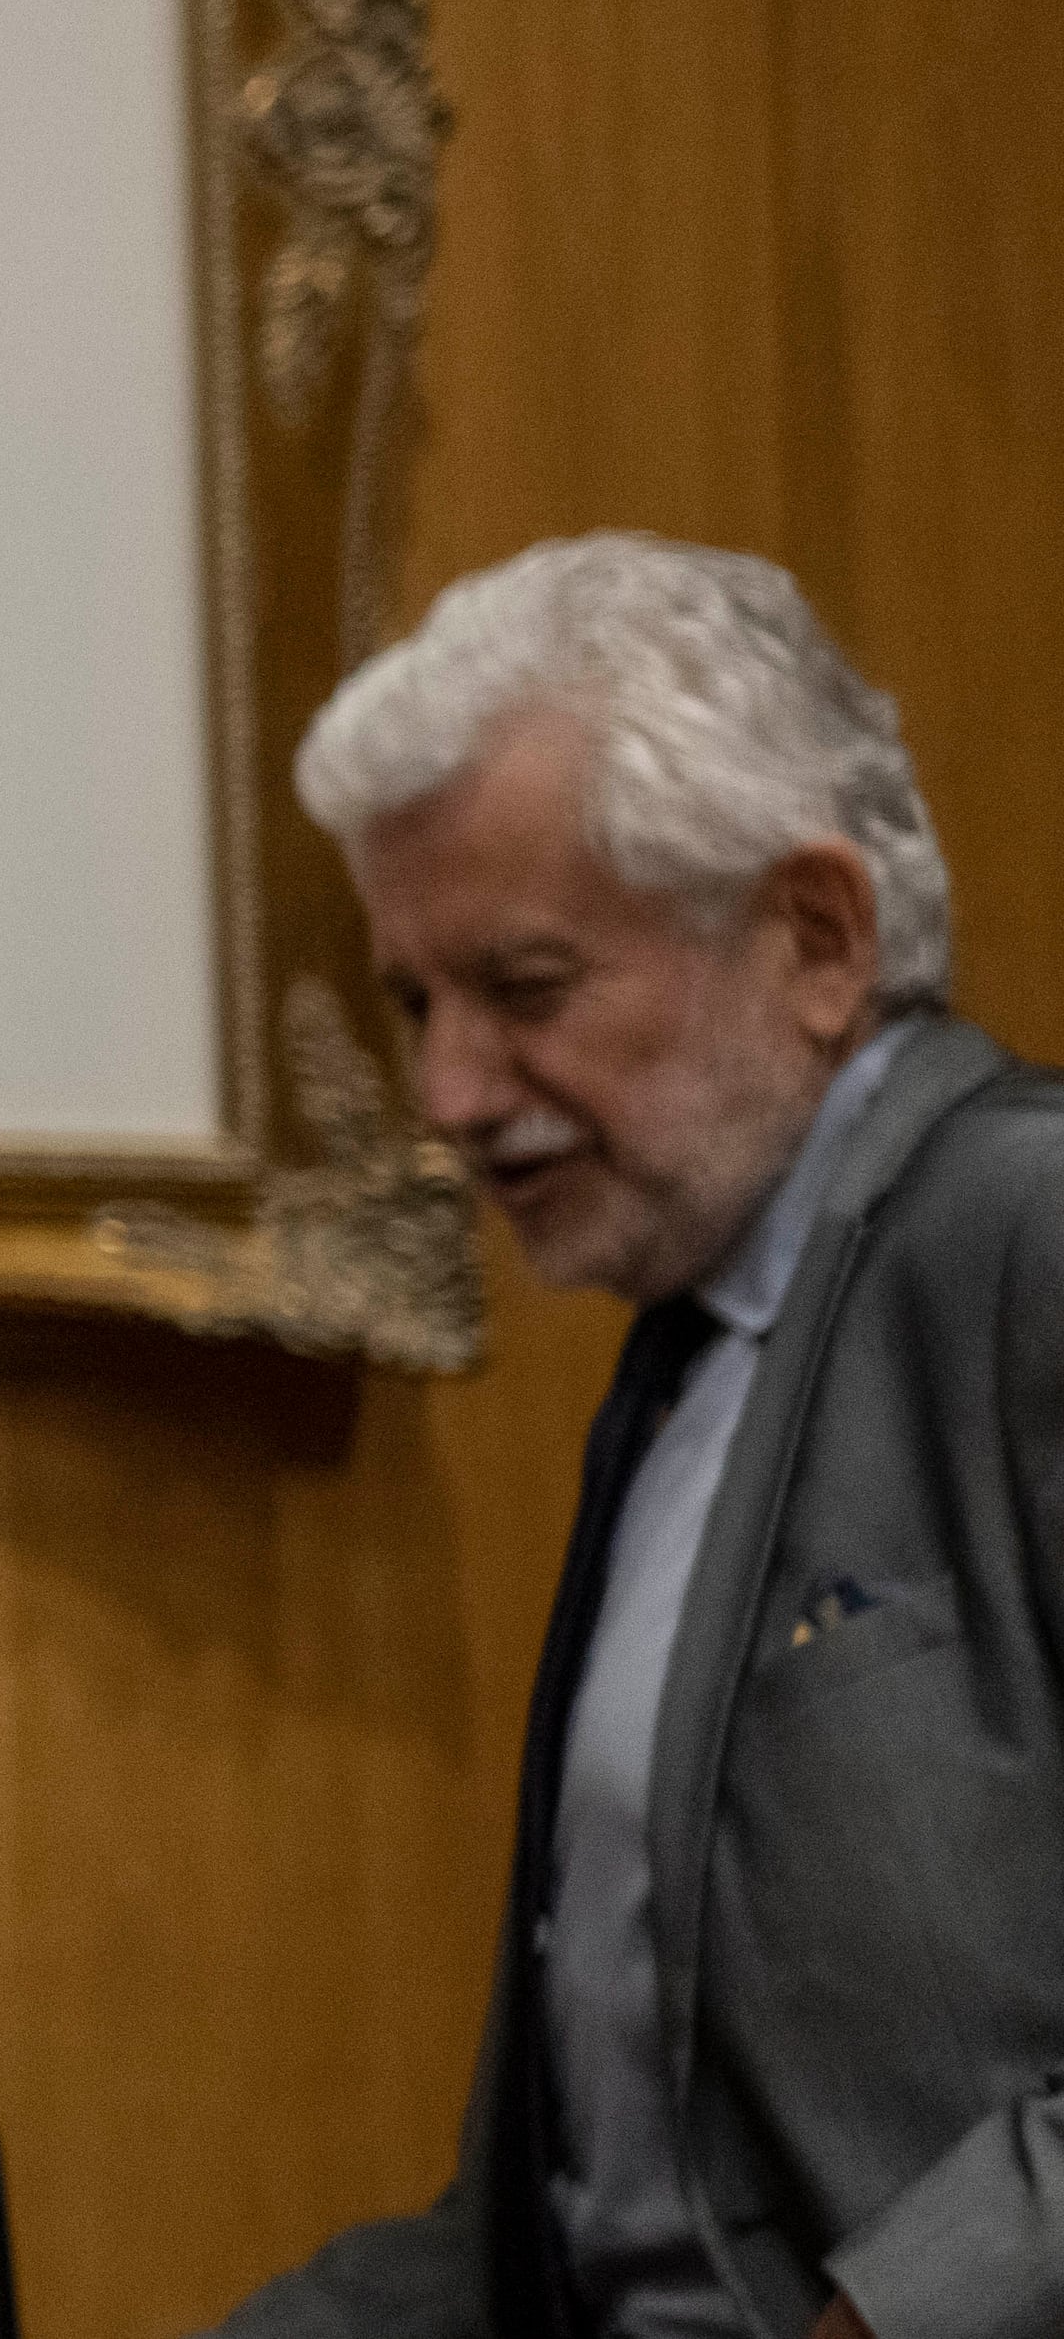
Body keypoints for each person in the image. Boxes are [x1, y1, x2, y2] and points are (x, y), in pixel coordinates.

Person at [220, 535, 1064, 2339]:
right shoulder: (689, 1349)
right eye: (414, 1005)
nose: (447, 1092)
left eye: (525, 989)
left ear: (817, 938)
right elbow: (577, 2228)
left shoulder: (1028, 1236)